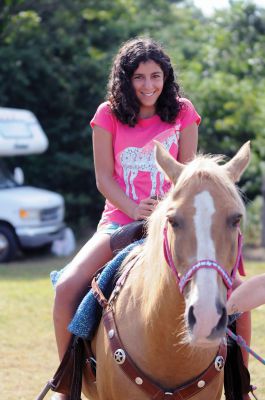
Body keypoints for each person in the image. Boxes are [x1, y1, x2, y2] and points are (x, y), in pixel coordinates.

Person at [51, 37, 248, 400]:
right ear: (125, 80)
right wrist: (133, 206)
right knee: (66, 288)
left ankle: (239, 383)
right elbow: (103, 178)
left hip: (176, 222)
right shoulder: (107, 114)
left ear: (166, 77)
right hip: (119, 221)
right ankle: (68, 385)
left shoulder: (183, 111)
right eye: (138, 77)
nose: (148, 85)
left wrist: (166, 210)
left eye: (155, 76)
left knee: (235, 288)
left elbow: (189, 176)